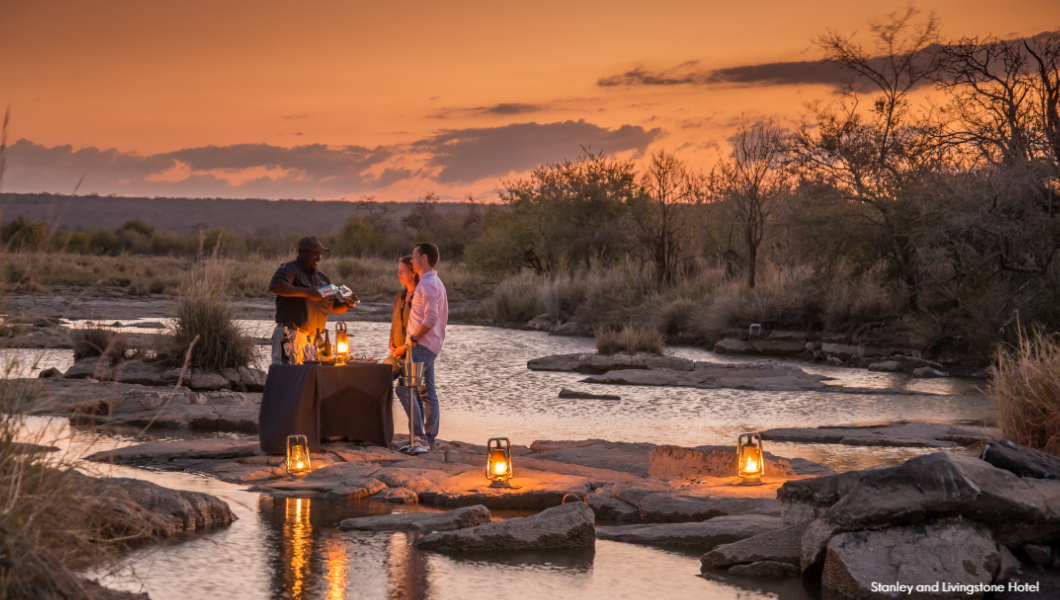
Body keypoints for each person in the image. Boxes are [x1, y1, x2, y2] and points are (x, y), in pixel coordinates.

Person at [268, 236, 358, 364]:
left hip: (315, 340)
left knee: (311, 378)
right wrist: (306, 292)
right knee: (288, 376)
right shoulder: (290, 269)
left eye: (320, 254)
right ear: (303, 252)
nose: (319, 258)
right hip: (291, 335)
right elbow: (275, 285)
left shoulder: (322, 279)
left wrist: (348, 304)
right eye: (315, 254)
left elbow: (333, 306)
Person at [396, 242, 448, 451]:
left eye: (415, 257)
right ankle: (429, 438)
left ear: (424, 258)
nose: (412, 260)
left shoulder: (428, 284)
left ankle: (419, 438)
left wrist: (414, 338)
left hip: (422, 345)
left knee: (405, 389)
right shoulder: (434, 282)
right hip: (429, 345)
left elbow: (432, 317)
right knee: (427, 392)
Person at [384, 255, 418, 374]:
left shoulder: (420, 297)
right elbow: (394, 324)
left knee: (408, 388)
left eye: (402, 271)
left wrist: (405, 348)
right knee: (377, 376)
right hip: (397, 354)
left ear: (413, 273)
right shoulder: (400, 296)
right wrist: (391, 344)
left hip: (413, 356)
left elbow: (422, 328)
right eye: (398, 270)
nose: (398, 274)